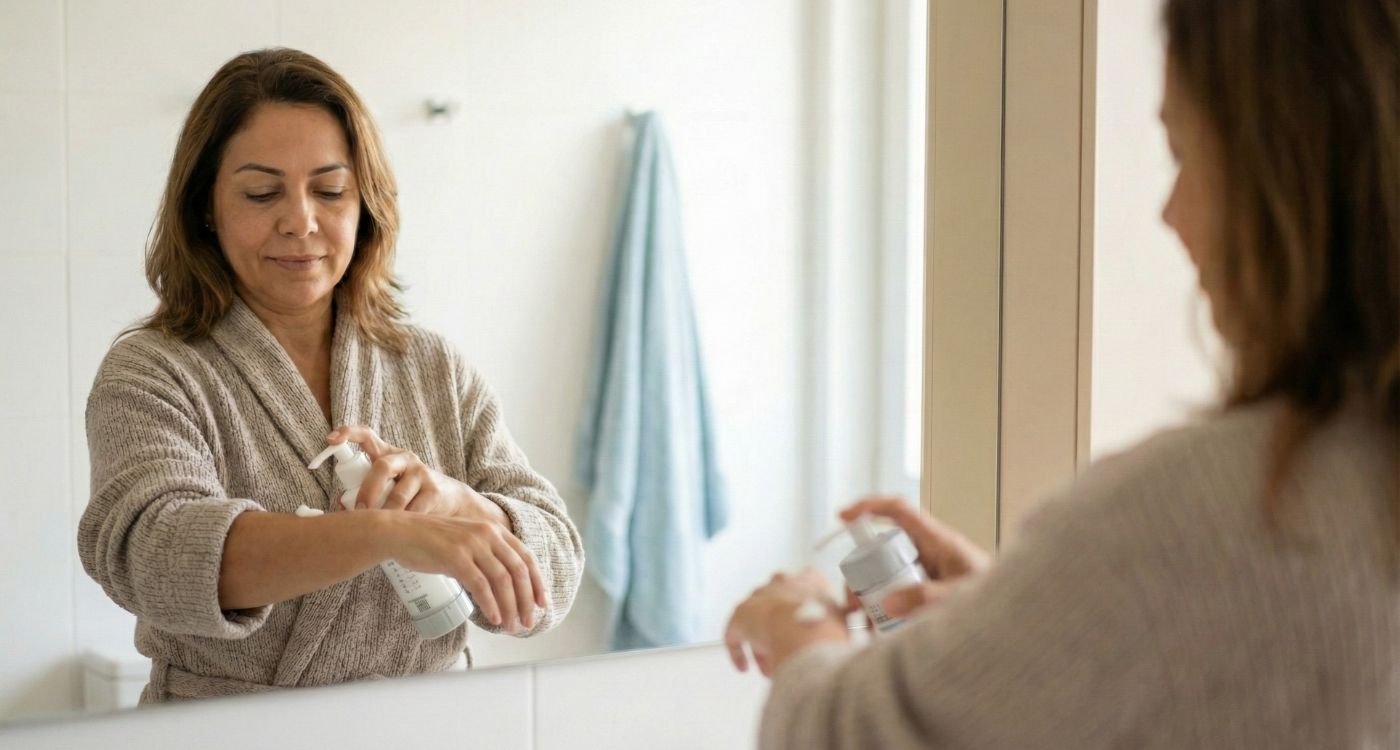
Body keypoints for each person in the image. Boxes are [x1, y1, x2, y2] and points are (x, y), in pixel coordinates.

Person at [725, 0, 1399, 746]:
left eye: (1183, 155)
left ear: (1284, 171)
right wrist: (1026, 613)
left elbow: (844, 734)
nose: (1170, 215)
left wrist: (801, 625)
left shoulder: (1203, 513)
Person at [77, 48, 584, 703]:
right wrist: (383, 534)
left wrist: (454, 505)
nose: (301, 221)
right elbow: (153, 556)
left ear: (365, 201)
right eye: (262, 193)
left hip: (429, 726)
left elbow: (557, 571)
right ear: (206, 206)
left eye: (330, 190)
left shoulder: (431, 367)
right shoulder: (155, 371)